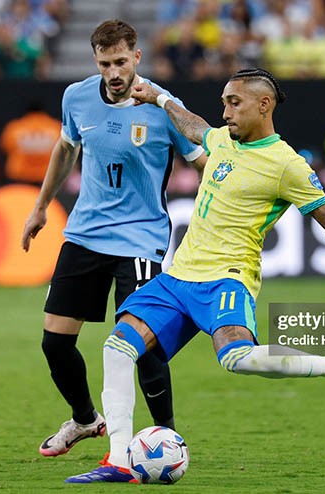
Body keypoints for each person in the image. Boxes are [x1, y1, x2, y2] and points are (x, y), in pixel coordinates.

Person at [65, 67, 325, 483]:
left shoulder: (288, 166)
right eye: (224, 103)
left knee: (236, 358)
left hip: (227, 279)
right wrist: (159, 98)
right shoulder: (223, 139)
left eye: (234, 102)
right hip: (178, 277)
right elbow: (195, 127)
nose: (225, 111)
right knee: (117, 347)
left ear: (264, 105)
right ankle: (119, 460)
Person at [21, 19, 207, 459]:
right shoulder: (77, 97)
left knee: (141, 344)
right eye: (106, 64)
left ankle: (167, 437)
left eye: (122, 61)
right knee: (55, 343)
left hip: (141, 241)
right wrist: (41, 206)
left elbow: (203, 161)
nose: (114, 72)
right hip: (85, 234)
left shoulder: (164, 106)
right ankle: (85, 419)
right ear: (96, 62)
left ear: (137, 57)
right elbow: (66, 149)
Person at [0, 101, 61, 184]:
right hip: (48, 175)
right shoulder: (55, 127)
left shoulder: (15, 127)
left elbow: (5, 147)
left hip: (20, 175)